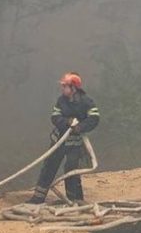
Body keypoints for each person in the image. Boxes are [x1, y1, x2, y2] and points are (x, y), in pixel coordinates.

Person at [27, 72, 100, 205]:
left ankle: (74, 199)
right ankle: (38, 197)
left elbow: (94, 118)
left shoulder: (87, 102)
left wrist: (80, 127)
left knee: (72, 169)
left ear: (73, 88)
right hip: (58, 141)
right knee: (49, 167)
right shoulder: (61, 101)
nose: (62, 88)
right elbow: (55, 117)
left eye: (65, 86)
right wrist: (67, 122)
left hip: (75, 144)